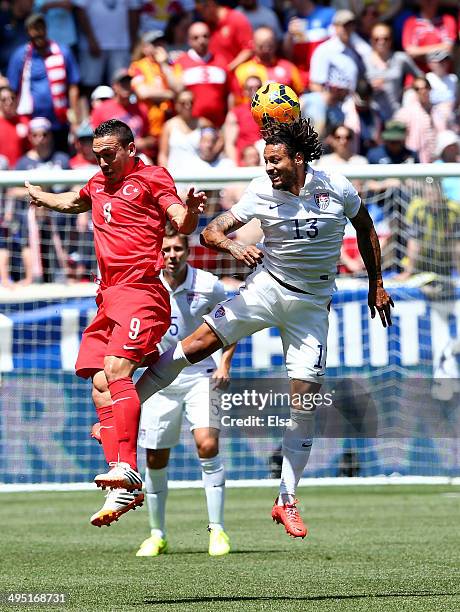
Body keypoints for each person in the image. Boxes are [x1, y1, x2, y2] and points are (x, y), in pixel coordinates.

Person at [136, 117, 393, 539]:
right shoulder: (259, 191)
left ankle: (286, 500)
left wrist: (376, 284)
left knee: (306, 404)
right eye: (265, 160)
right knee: (196, 346)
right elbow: (212, 232)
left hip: (311, 306)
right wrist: (236, 244)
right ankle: (125, 406)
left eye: (275, 160)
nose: (269, 168)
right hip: (266, 289)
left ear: (297, 158)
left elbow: (365, 227)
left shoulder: (337, 187)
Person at [26, 119, 207, 527]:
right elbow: (74, 201)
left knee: (116, 370)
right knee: (100, 384)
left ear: (129, 148)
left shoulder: (152, 177)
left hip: (141, 292)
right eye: (98, 154)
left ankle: (127, 469)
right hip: (108, 297)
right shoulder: (97, 183)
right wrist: (41, 197)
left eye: (110, 153)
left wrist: (190, 214)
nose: (103, 161)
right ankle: (122, 482)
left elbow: (178, 217)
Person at [134, 225, 236, 557]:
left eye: (177, 249)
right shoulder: (145, 285)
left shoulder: (207, 285)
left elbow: (235, 321)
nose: (171, 255)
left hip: (201, 376)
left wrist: (224, 364)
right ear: (157, 252)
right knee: (154, 456)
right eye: (165, 250)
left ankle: (217, 531)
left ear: (187, 251)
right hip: (159, 381)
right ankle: (157, 534)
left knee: (207, 445)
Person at [7, 12, 80, 152]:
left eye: (41, 28)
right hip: (30, 122)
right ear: (28, 32)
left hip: (58, 122)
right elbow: (13, 89)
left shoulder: (63, 52)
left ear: (46, 29)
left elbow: (73, 86)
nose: (38, 32)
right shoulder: (20, 56)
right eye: (34, 29)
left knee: (61, 158)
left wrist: (75, 118)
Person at [173, 21, 231, 129]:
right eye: (196, 37)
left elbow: (229, 94)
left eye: (205, 36)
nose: (201, 41)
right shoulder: (180, 63)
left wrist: (228, 121)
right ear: (189, 40)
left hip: (219, 125)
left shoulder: (221, 61)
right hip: (190, 127)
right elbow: (176, 94)